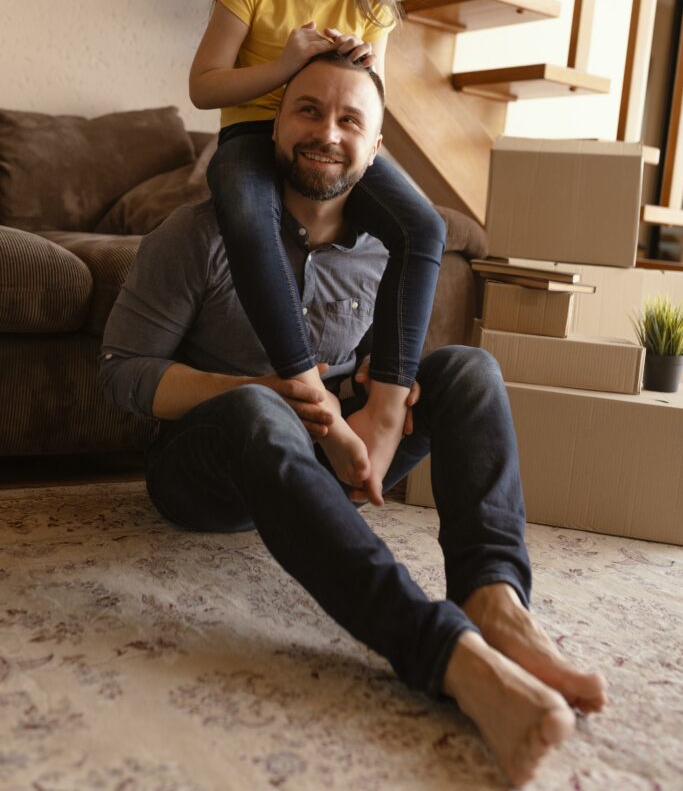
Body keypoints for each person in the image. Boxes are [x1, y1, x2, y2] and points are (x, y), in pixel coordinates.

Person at [100, 52, 607, 787]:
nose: (325, 132)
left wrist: (376, 384)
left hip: (333, 460)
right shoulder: (195, 235)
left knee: (469, 369)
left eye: (349, 120)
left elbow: (385, 371)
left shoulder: (388, 252)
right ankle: (446, 656)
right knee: (252, 408)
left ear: (375, 149)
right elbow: (119, 374)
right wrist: (256, 389)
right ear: (275, 125)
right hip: (206, 473)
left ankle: (493, 599)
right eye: (307, 110)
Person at [189, 0, 446, 497]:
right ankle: (308, 390)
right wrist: (284, 65)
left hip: (338, 149)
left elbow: (374, 111)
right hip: (252, 135)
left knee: (426, 227)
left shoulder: (369, 7)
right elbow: (203, 85)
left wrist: (363, 75)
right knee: (247, 211)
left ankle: (387, 403)